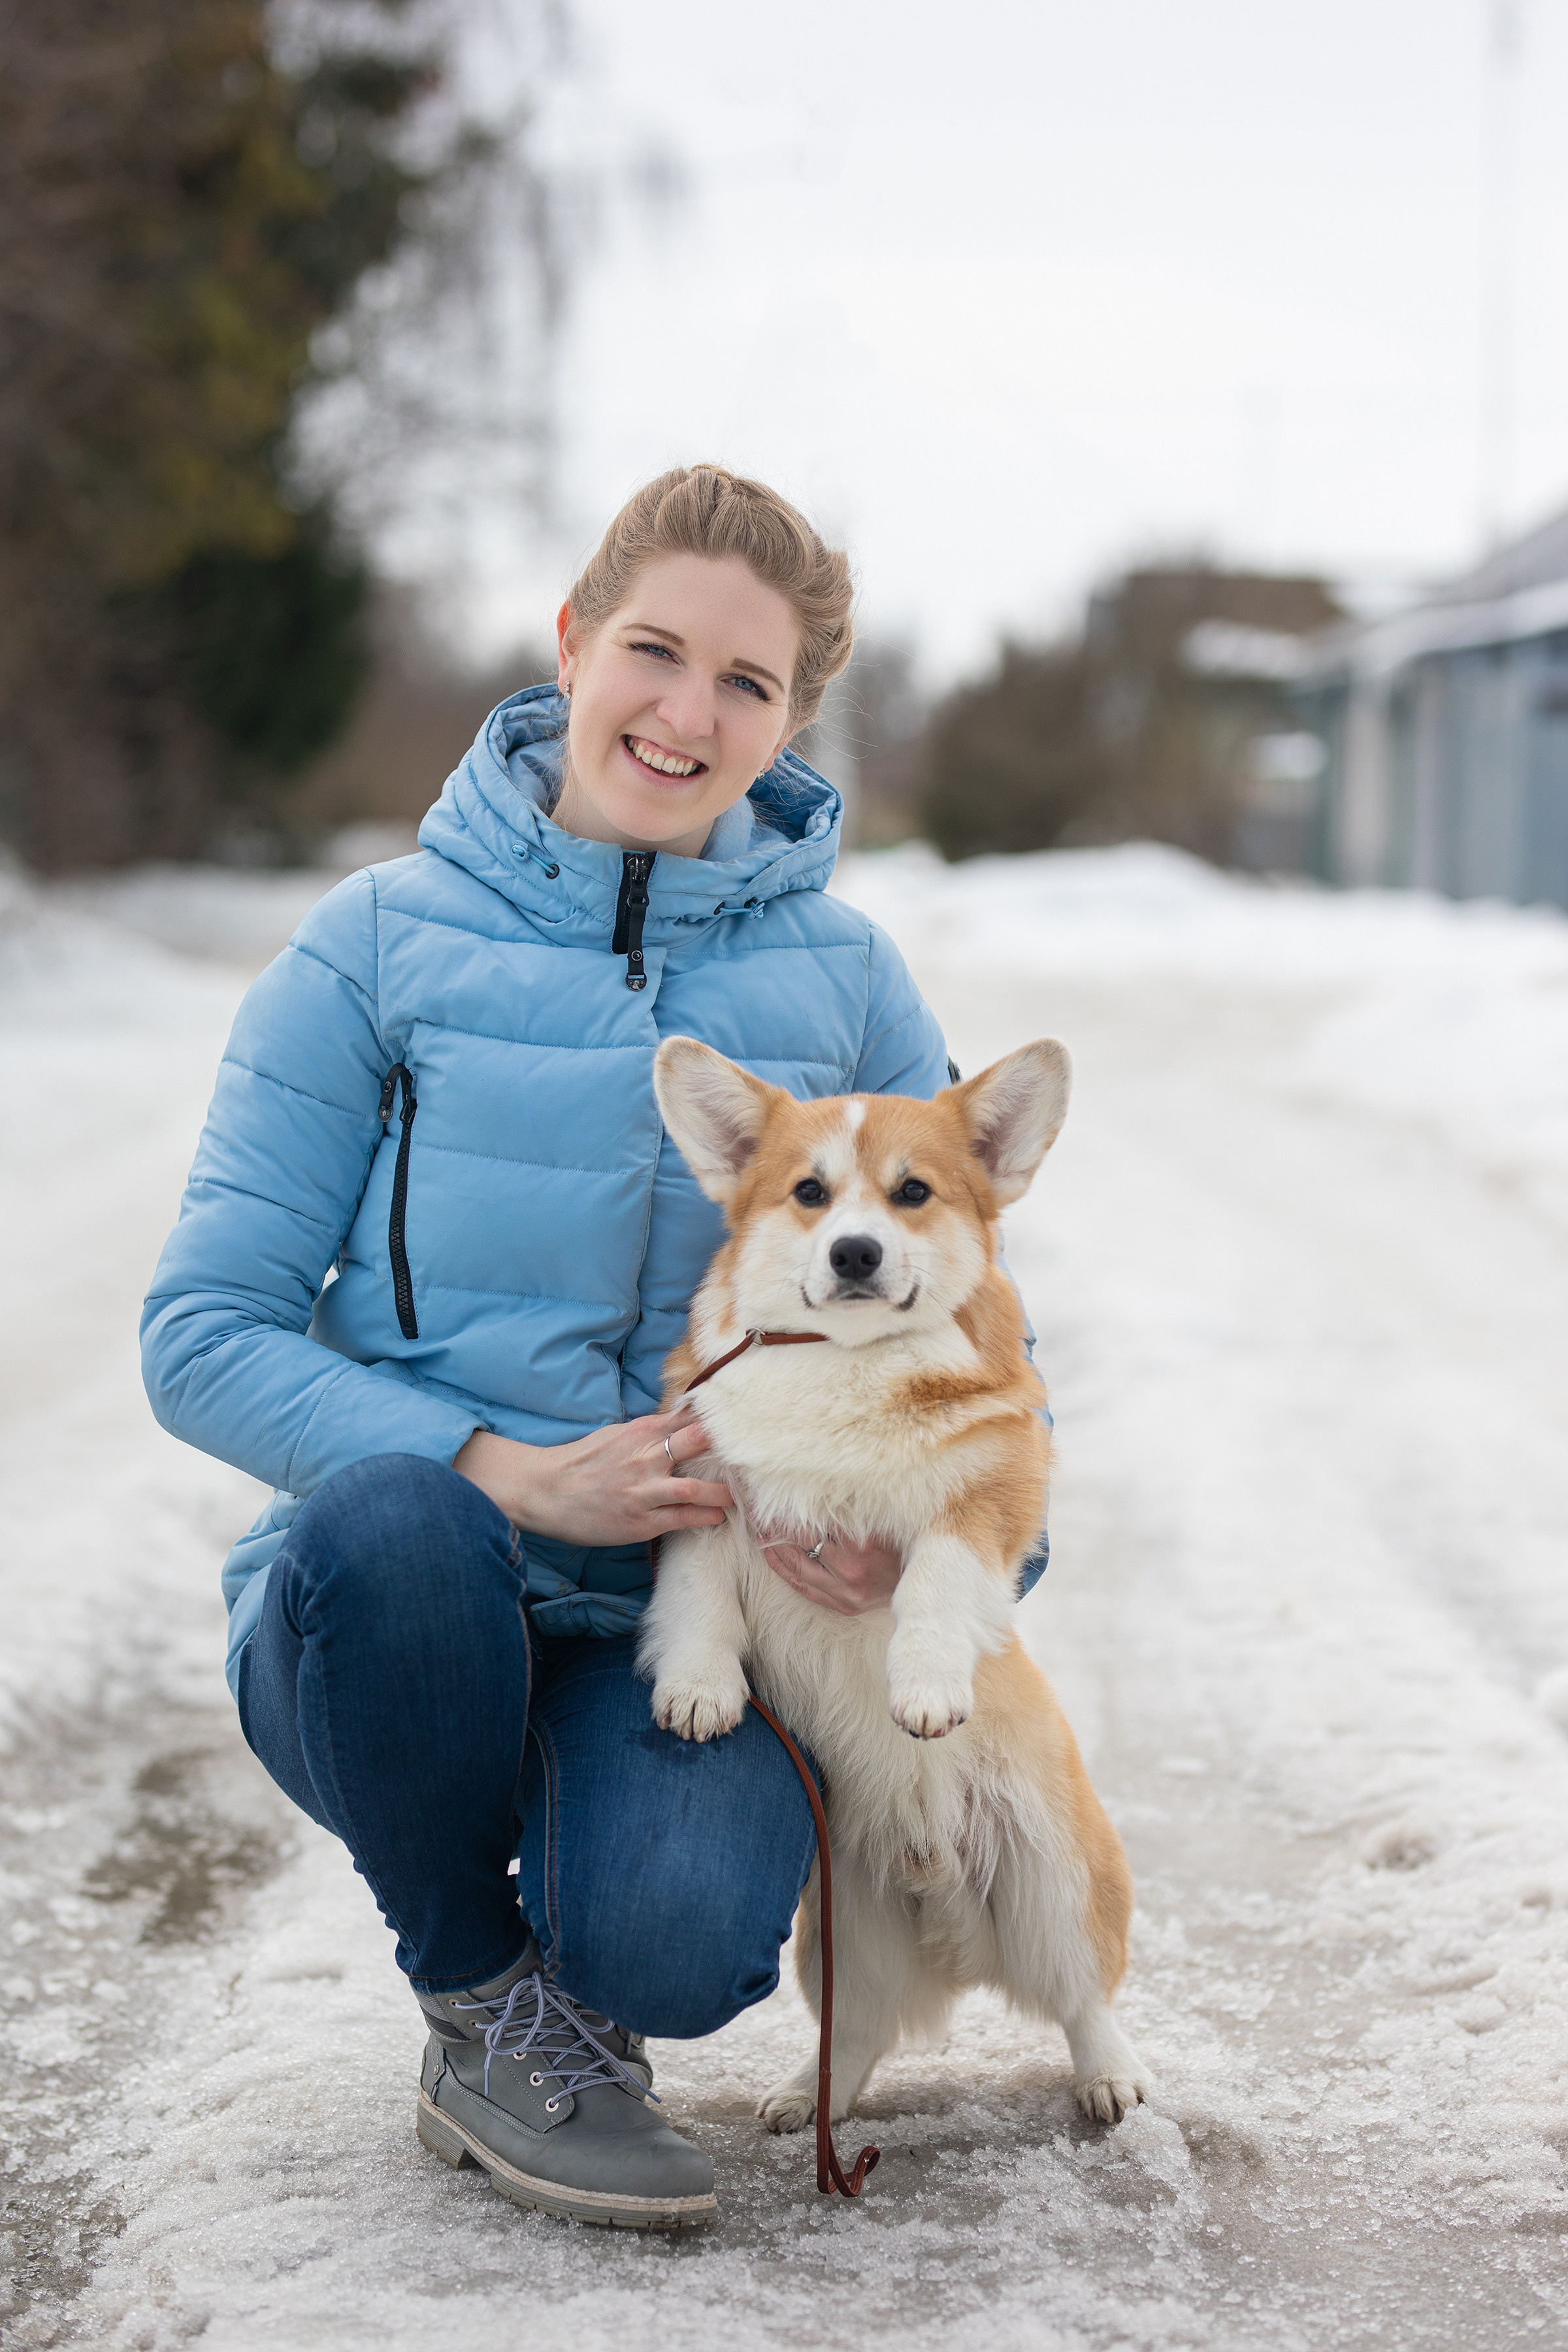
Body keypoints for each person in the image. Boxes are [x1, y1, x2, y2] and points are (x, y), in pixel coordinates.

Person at [142, 463, 1046, 2230]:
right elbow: (199, 1333)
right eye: (655, 651)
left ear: (791, 722)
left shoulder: (851, 980)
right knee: (400, 1517)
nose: (687, 715)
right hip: (395, 1609)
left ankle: (589, 1954)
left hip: (684, 1626)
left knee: (682, 1935)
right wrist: (508, 1471)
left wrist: (910, 1566)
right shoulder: (373, 947)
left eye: (748, 683)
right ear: (570, 642)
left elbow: (989, 1345)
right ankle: (483, 2000)